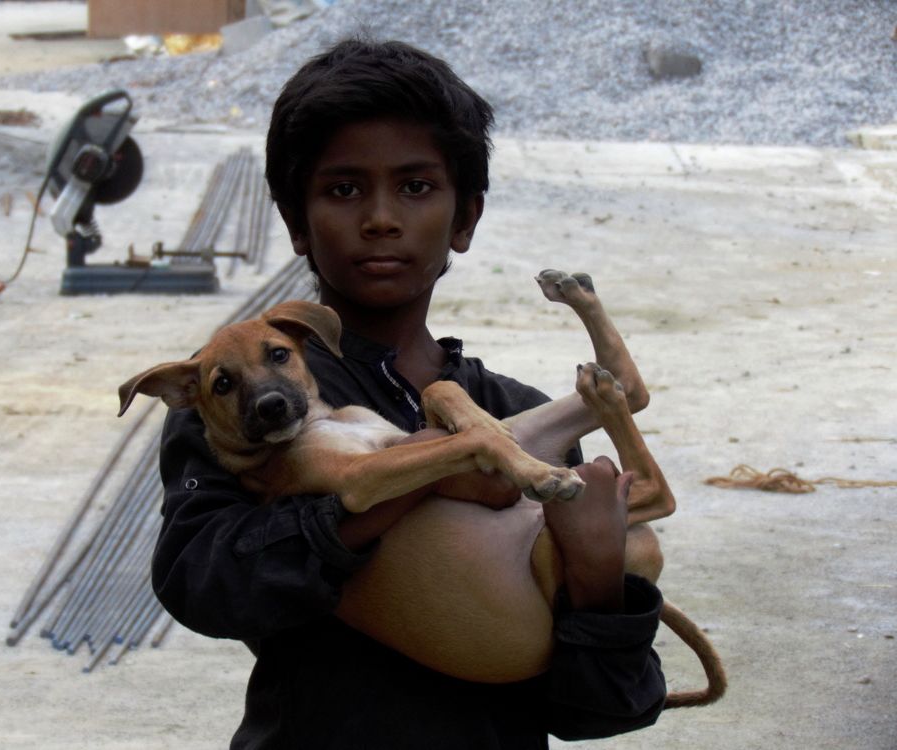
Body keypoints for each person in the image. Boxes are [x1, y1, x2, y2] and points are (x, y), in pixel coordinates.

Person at [152, 38, 667, 749]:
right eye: (343, 189)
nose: (381, 218)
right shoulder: (246, 404)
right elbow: (202, 583)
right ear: (296, 221)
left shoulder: (508, 401)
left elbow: (601, 709)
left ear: (466, 218)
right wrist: (420, 475)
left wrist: (598, 575)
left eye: (416, 187)